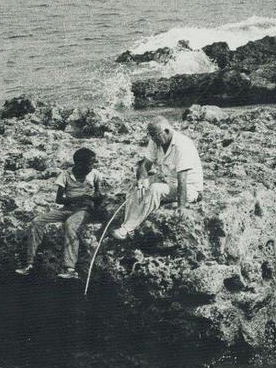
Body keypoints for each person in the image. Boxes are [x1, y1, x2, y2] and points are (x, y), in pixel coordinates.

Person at [16, 147, 105, 279]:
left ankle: (70, 268)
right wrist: (79, 198)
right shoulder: (65, 175)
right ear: (79, 164)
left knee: (70, 225)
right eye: (90, 163)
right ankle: (30, 263)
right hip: (67, 208)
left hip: (83, 210)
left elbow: (99, 195)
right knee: (37, 221)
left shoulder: (95, 174)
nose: (92, 166)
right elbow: (58, 199)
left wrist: (97, 204)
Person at [111, 116, 203, 239]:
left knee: (155, 189)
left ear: (167, 131)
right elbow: (145, 165)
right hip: (167, 180)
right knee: (136, 187)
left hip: (189, 188)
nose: (153, 139)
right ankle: (128, 224)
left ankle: (127, 229)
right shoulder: (155, 141)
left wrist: (181, 207)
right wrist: (141, 180)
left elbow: (182, 179)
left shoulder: (183, 145)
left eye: (155, 135)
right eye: (151, 136)